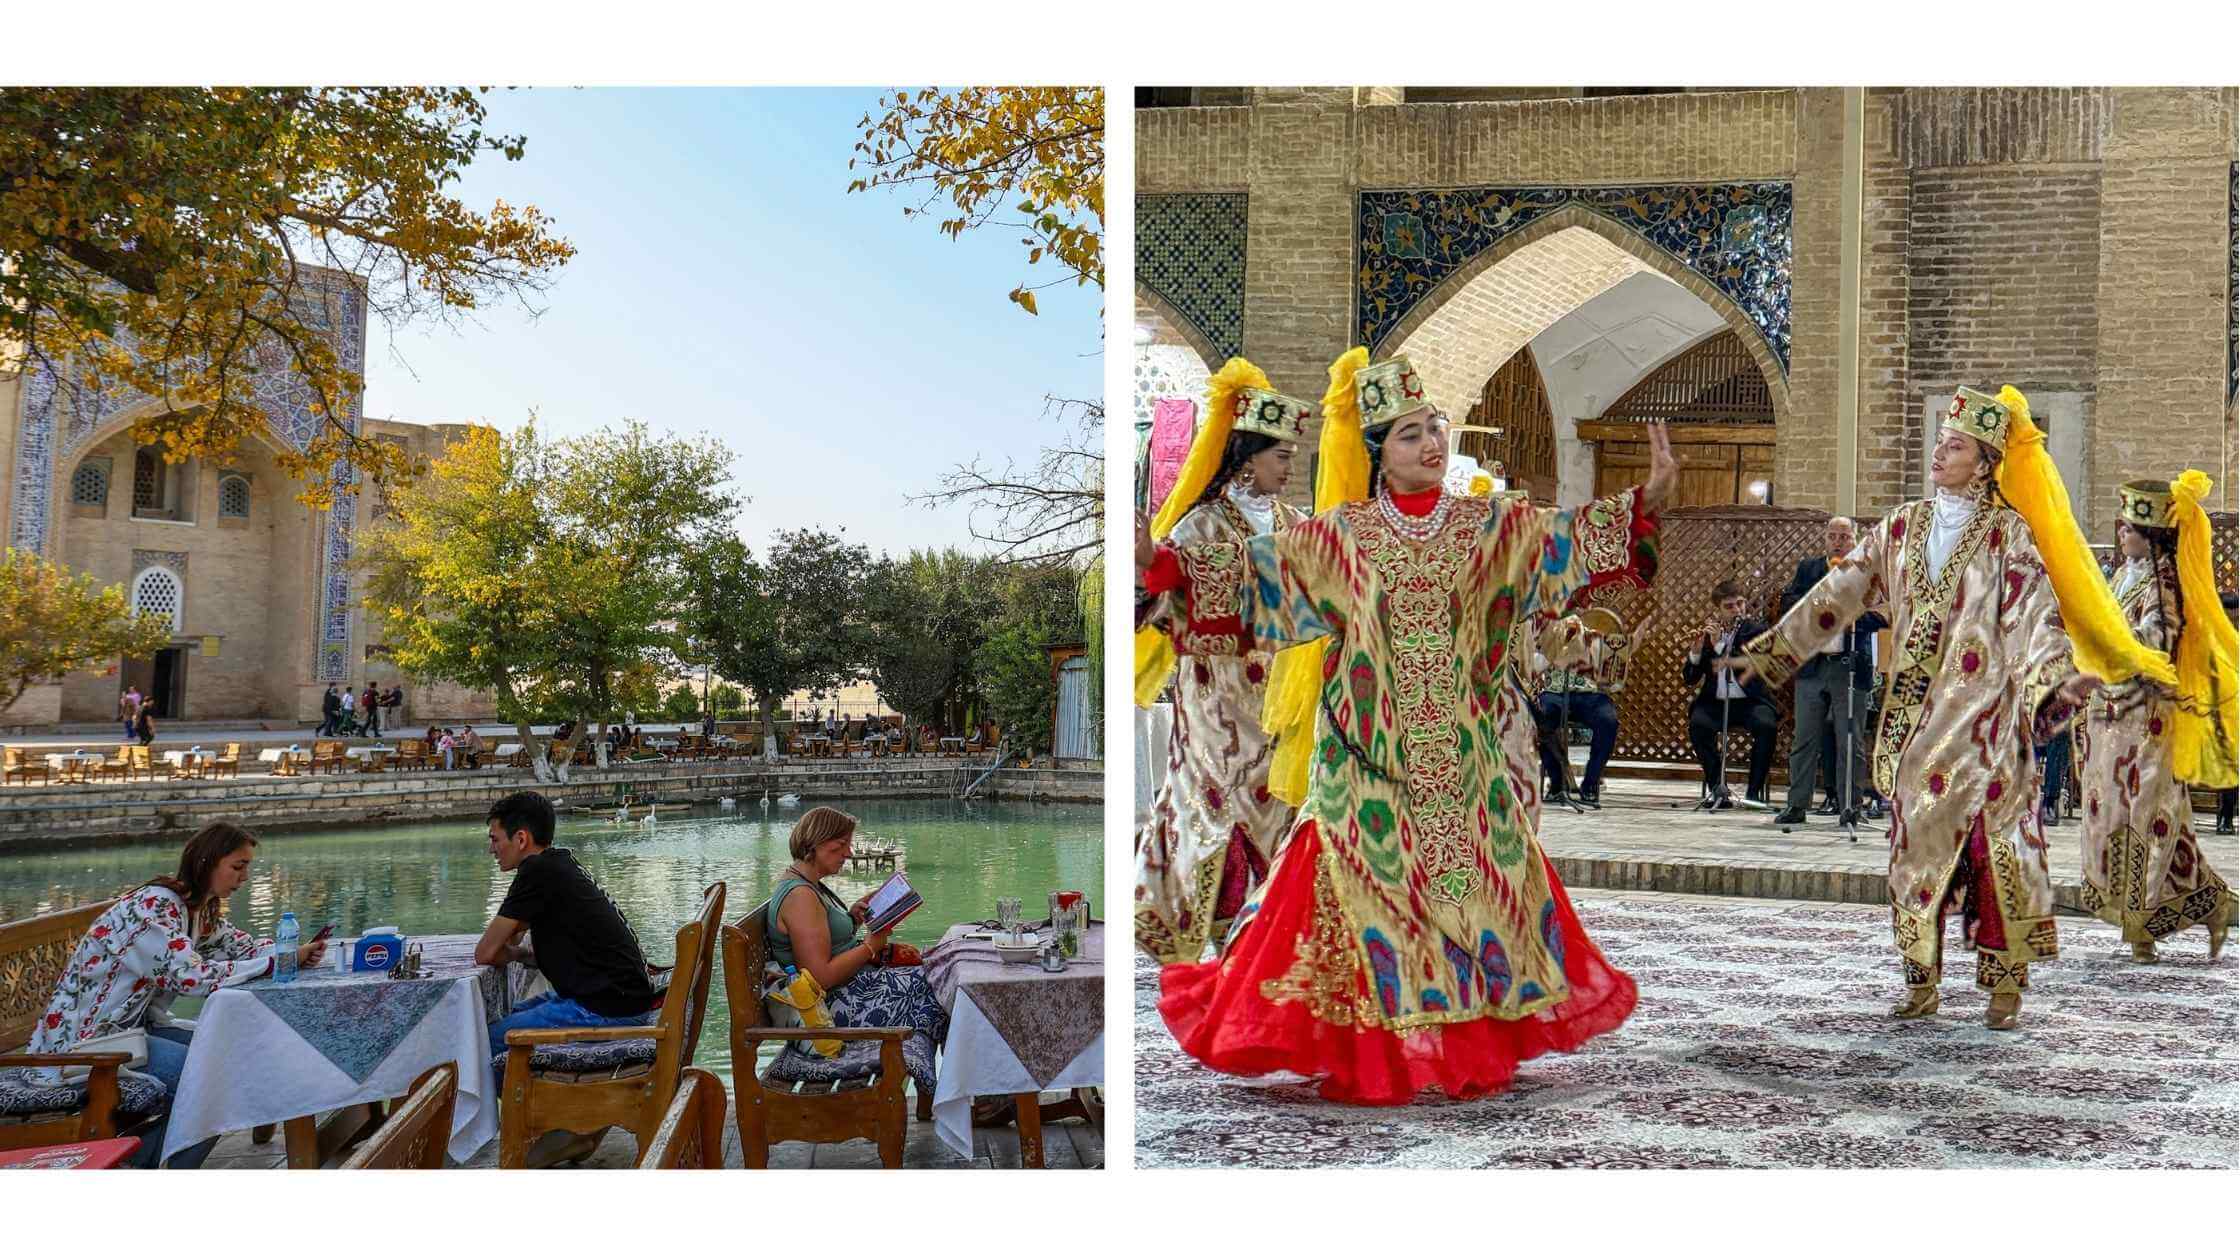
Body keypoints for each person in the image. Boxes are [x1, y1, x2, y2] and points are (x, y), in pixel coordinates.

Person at [1136, 347, 1672, 1104]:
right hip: (1366, 761)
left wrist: (1644, 503)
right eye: (1411, 433)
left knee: (1478, 895)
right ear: (1378, 453)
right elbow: (1253, 582)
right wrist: (1160, 567)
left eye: (1435, 427)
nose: (1432, 444)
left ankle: (1465, 1034)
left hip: (1465, 762)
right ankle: (1372, 1048)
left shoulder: (1491, 527)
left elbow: (1565, 544)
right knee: (1358, 897)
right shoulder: (1339, 537)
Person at [1732, 386, 2120, 1029]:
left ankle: (2004, 985)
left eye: (1956, 444)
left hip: (1990, 720)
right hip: (1918, 722)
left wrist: (2057, 675)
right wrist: (1777, 649)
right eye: (1940, 440)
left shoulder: (2007, 535)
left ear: (1986, 463)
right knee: (1916, 850)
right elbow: (1842, 589)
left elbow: (2034, 612)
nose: (1940, 451)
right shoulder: (1901, 527)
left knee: (1999, 852)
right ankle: (1921, 978)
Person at [1134, 358, 1310, 965]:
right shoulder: (1202, 524)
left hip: (1282, 699)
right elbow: (1164, 595)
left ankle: (1269, 938)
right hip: (1215, 700)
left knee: (1283, 808)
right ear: (1246, 459)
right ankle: (1219, 933)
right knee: (1216, 806)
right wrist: (1156, 564)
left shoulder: (1296, 525)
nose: (1290, 468)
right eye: (1281, 456)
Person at [26, 821, 327, 1167]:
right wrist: (277, 962)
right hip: (83, 1050)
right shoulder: (155, 907)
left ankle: (140, 1162)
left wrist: (292, 953)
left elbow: (241, 948)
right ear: (207, 862)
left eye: (247, 867)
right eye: (238, 866)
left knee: (234, 1057)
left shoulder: (194, 908)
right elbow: (191, 977)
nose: (244, 877)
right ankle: (138, 1167)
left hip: (127, 1035)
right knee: (217, 1078)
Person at [2076, 476, 2234, 962]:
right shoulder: (2119, 575)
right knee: (2114, 816)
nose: (2121, 532)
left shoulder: (2165, 582)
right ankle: (2210, 901)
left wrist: (2108, 637)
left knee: (2146, 814)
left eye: (2130, 526)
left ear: (2153, 533)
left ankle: (2142, 927)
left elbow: (2157, 641)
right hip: (2109, 715)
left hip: (2148, 717)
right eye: (2121, 525)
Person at [769, 807, 948, 1096]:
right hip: (836, 1007)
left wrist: (852, 918)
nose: (849, 854)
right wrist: (869, 947)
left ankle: (960, 1093)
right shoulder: (801, 896)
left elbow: (824, 943)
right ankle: (963, 1095)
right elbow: (820, 976)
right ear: (813, 845)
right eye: (840, 846)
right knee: (942, 984)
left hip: (851, 992)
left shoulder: (809, 887)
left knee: (943, 973)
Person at [477, 791, 659, 1056]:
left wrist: (515, 953)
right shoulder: (556, 864)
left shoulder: (537, 872)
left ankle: (524, 1098)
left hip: (607, 1009)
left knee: (484, 1042)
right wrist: (518, 950)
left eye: (495, 839)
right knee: (504, 1016)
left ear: (521, 839)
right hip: (619, 999)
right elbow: (509, 939)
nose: (491, 849)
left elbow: (485, 953)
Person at [1772, 517, 1889, 826]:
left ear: (1855, 540)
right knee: (1804, 739)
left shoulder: (1867, 572)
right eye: (1832, 535)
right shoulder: (1809, 569)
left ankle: (1851, 807)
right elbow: (1788, 601)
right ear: (1825, 539)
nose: (1837, 541)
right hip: (1812, 665)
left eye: (1844, 536)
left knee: (1849, 740)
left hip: (1849, 665)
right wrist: (1817, 606)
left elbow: (1883, 614)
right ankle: (1797, 805)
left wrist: (1849, 616)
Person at [1530, 607, 1648, 809]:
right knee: (1542, 717)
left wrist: (1632, 645)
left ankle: (1591, 784)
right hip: (1556, 692)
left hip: (1590, 694)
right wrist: (1557, 646)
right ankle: (1558, 782)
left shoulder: (1594, 639)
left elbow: (1614, 673)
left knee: (1607, 721)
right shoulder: (1548, 635)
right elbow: (1534, 667)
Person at [1682, 579, 1777, 809]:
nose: (1737, 610)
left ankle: (1753, 794)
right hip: (1715, 701)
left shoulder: (1756, 631)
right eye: (1729, 606)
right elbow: (1690, 679)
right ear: (1718, 609)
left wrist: (1718, 647)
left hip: (1750, 700)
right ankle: (1718, 788)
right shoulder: (1709, 633)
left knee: (1767, 726)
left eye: (1740, 604)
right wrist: (1695, 654)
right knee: (1699, 725)